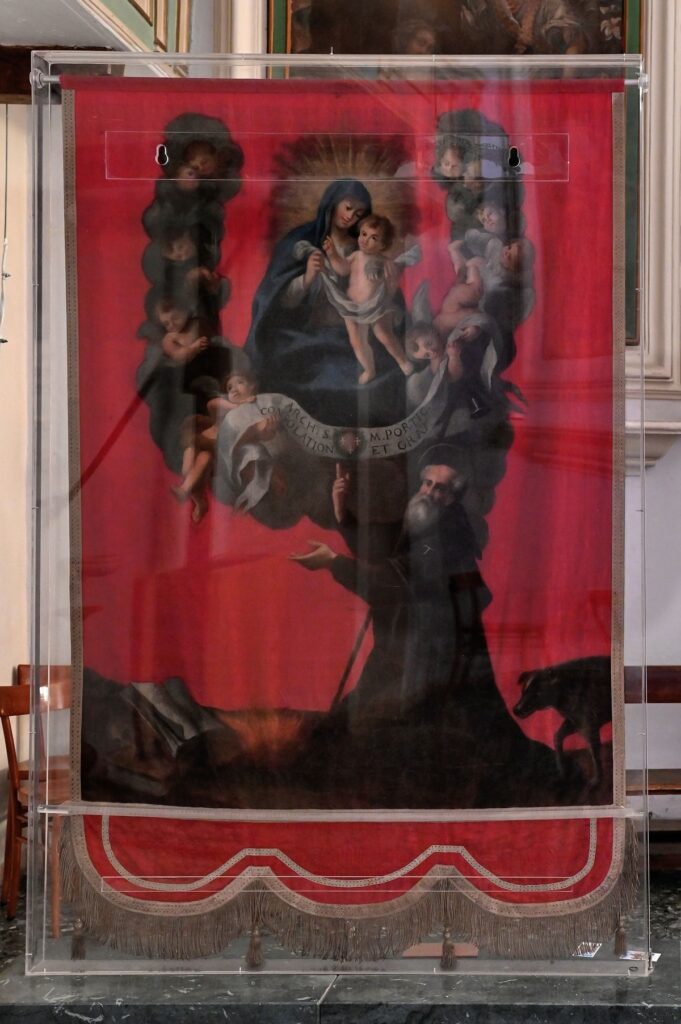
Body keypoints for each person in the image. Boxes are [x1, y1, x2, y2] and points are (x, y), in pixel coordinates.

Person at [290, 450, 491, 718]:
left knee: (375, 717)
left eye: (440, 489)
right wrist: (342, 511)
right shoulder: (422, 521)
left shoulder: (444, 537)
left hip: (428, 650)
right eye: (427, 483)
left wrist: (334, 562)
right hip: (406, 644)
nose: (429, 493)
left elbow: (391, 580)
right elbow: (378, 551)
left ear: (451, 498)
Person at [245, 179, 408, 427]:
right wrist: (307, 277)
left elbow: (385, 299)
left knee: (380, 373)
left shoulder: (364, 250)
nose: (351, 216)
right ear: (333, 203)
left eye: (359, 214)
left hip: (347, 336)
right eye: (348, 207)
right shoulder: (299, 240)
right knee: (286, 369)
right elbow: (274, 301)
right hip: (304, 336)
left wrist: (389, 281)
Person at [322, 214, 414, 384]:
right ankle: (369, 369)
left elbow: (391, 286)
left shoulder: (384, 262)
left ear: (382, 245)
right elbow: (342, 269)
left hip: (377, 307)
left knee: (384, 335)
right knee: (356, 341)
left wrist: (390, 281)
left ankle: (403, 361)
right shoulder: (356, 256)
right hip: (352, 307)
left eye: (373, 238)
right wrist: (332, 253)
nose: (365, 240)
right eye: (364, 234)